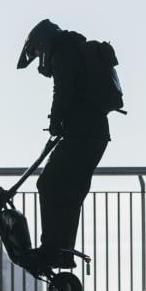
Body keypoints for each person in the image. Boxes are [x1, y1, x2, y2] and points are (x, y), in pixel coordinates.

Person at [16, 19, 110, 273]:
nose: (38, 58)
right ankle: (62, 253)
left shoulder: (63, 55)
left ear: (44, 42)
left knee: (47, 184)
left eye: (36, 52)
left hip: (81, 134)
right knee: (70, 194)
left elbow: (63, 91)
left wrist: (55, 121)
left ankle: (51, 250)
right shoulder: (74, 49)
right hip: (95, 134)